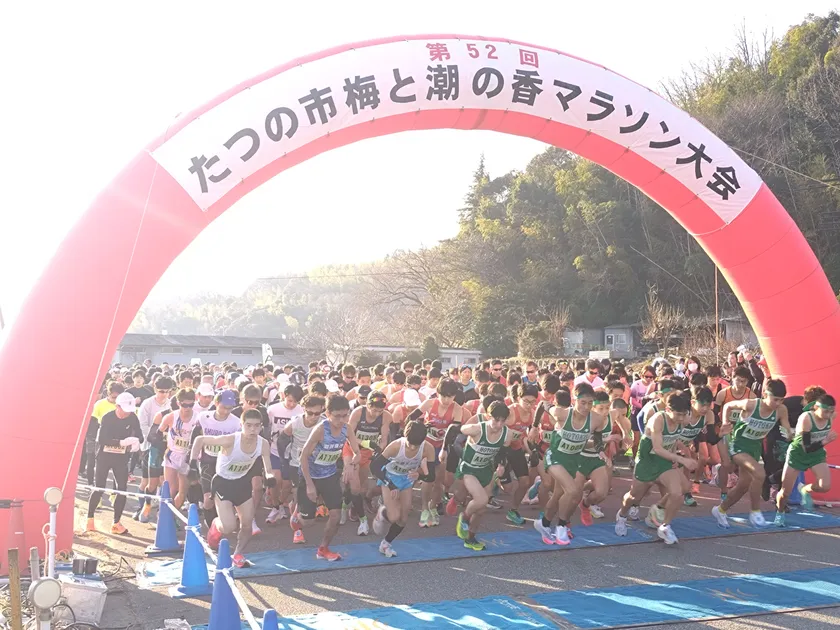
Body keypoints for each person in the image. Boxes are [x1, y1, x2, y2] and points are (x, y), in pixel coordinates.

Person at [189, 409, 274, 568]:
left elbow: (268, 467)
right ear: (241, 425)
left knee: (247, 524)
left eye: (256, 426)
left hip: (242, 483)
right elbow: (200, 439)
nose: (253, 430)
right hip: (223, 483)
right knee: (228, 527)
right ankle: (216, 524)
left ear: (261, 426)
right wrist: (193, 463)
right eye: (249, 425)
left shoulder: (263, 444)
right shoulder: (231, 440)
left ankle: (238, 554)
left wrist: (270, 477)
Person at [615, 392, 699, 544]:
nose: (681, 418)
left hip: (664, 461)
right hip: (647, 460)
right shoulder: (658, 420)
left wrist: (674, 455)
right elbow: (658, 448)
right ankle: (622, 515)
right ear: (668, 410)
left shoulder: (684, 419)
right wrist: (681, 459)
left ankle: (665, 526)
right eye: (678, 414)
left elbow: (672, 439)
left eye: (684, 414)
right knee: (634, 496)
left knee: (678, 492)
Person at [535, 382, 609, 545]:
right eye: (583, 402)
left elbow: (597, 438)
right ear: (575, 400)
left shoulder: (597, 419)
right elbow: (542, 404)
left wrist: (601, 451)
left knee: (558, 495)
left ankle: (544, 524)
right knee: (573, 491)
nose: (586, 407)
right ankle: (561, 526)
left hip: (572, 460)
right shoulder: (561, 413)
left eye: (590, 403)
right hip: (555, 456)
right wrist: (534, 427)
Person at [712, 379, 792, 529]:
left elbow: (787, 428)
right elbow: (728, 406)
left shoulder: (781, 410)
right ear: (765, 394)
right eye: (775, 399)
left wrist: (790, 434)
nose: (778, 403)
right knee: (760, 473)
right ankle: (755, 512)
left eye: (781, 400)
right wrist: (725, 423)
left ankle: (720, 510)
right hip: (739, 445)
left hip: (755, 448)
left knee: (743, 486)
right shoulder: (751, 404)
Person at [291, 395, 361, 561]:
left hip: (329, 476)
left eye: (345, 415)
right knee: (308, 522)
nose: (341, 420)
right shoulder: (321, 429)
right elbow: (303, 457)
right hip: (311, 476)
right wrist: (309, 485)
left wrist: (350, 465)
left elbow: (357, 452)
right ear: (328, 414)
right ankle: (296, 515)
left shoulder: (347, 428)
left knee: (335, 516)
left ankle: (323, 549)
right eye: (337, 416)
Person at [371, 420, 436, 557]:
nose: (412, 448)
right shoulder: (396, 446)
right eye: (409, 443)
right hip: (390, 478)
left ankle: (386, 544)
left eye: (416, 445)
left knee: (403, 519)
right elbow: (375, 467)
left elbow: (431, 477)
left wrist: (419, 475)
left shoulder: (428, 448)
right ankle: (382, 513)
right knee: (394, 516)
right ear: (405, 436)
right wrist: (390, 485)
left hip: (407, 479)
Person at [455, 401, 513, 550]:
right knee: (481, 499)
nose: (499, 425)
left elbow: (502, 453)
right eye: (496, 420)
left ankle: (470, 538)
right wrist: (449, 450)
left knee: (481, 509)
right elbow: (454, 430)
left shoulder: (507, 434)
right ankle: (464, 518)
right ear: (488, 416)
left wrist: (501, 465)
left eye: (502, 421)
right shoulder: (476, 429)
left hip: (486, 470)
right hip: (469, 469)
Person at [775, 393, 837, 526]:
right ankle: (780, 512)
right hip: (798, 453)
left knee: (825, 486)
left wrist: (823, 443)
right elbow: (807, 448)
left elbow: (814, 449)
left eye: (831, 412)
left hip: (817, 454)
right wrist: (825, 441)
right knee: (785, 492)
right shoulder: (807, 418)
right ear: (816, 407)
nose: (828, 415)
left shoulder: (832, 416)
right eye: (826, 411)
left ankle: (804, 489)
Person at [86, 393, 143, 535]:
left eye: (129, 410)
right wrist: (120, 442)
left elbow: (140, 435)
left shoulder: (132, 417)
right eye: (124, 410)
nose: (127, 413)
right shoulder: (108, 417)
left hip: (121, 458)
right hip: (104, 456)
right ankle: (89, 519)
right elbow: (102, 439)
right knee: (99, 487)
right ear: (117, 406)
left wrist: (136, 442)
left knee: (122, 489)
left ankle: (116, 523)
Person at [276, 394, 326, 544]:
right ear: (304, 409)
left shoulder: (324, 423)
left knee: (311, 497)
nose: (313, 417)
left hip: (316, 465)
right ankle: (297, 530)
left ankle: (305, 512)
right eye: (310, 413)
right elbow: (281, 442)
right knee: (298, 496)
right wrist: (284, 462)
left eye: (317, 413)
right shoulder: (294, 423)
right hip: (296, 464)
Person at [341, 390, 392, 534]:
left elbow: (384, 439)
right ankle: (356, 515)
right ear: (368, 405)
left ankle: (350, 506)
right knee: (354, 484)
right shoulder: (358, 413)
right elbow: (348, 434)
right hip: (351, 449)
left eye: (380, 411)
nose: (377, 414)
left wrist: (379, 450)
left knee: (361, 487)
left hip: (368, 452)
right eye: (374, 410)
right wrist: (364, 442)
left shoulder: (386, 416)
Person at [418, 378, 467, 526]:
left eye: (450, 397)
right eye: (443, 396)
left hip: (442, 446)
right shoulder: (429, 403)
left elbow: (453, 431)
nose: (446, 400)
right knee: (428, 478)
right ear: (438, 393)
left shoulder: (457, 409)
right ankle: (424, 509)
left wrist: (444, 449)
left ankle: (433, 506)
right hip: (427, 445)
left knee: (439, 481)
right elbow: (411, 419)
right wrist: (422, 426)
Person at [196, 390, 241, 528]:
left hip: (225, 464)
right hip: (207, 462)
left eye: (230, 408)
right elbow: (195, 438)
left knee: (223, 499)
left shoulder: (236, 422)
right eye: (223, 407)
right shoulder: (203, 417)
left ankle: (218, 525)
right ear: (216, 403)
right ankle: (211, 526)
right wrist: (191, 460)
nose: (226, 411)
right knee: (207, 499)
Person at [149, 388, 199, 510]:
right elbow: (158, 434)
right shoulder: (170, 417)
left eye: (191, 405)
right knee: (171, 489)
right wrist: (160, 452)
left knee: (182, 492)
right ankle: (163, 515)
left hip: (188, 457)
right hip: (172, 455)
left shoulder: (198, 418)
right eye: (184, 405)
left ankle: (172, 516)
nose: (187, 408)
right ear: (178, 403)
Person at [134, 376, 174, 522]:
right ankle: (141, 508)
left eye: (167, 391)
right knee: (146, 481)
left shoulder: (172, 403)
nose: (164, 394)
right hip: (149, 445)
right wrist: (155, 436)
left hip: (167, 447)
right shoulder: (147, 404)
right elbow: (142, 425)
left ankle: (161, 513)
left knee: (164, 481)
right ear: (155, 389)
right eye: (161, 391)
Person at [265, 385, 304, 524]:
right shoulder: (272, 409)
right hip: (275, 450)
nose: (292, 404)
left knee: (287, 484)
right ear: (283, 396)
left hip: (292, 453)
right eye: (289, 400)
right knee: (275, 480)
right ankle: (275, 507)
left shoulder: (301, 411)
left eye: (295, 402)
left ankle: (280, 504)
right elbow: (266, 427)